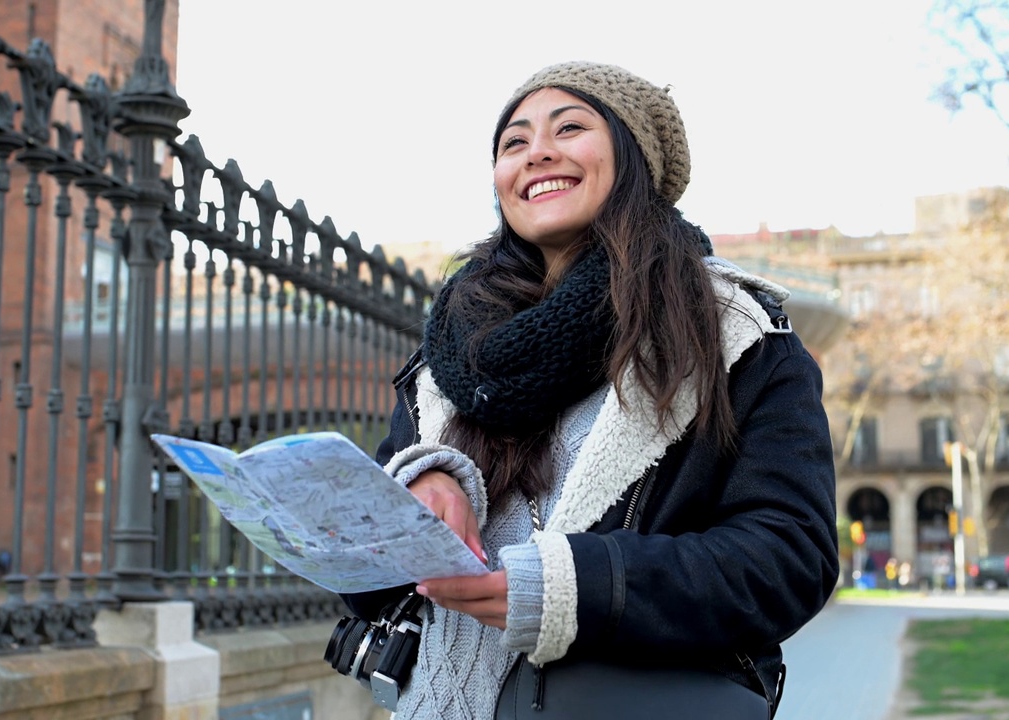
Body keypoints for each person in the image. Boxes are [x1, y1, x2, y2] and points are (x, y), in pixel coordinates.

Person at [341, 61, 838, 719]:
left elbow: (788, 558)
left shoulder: (735, 333)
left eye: (569, 128)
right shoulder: (447, 353)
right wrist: (415, 495)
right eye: (513, 143)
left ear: (634, 161)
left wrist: (573, 589)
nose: (536, 152)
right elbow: (368, 589)